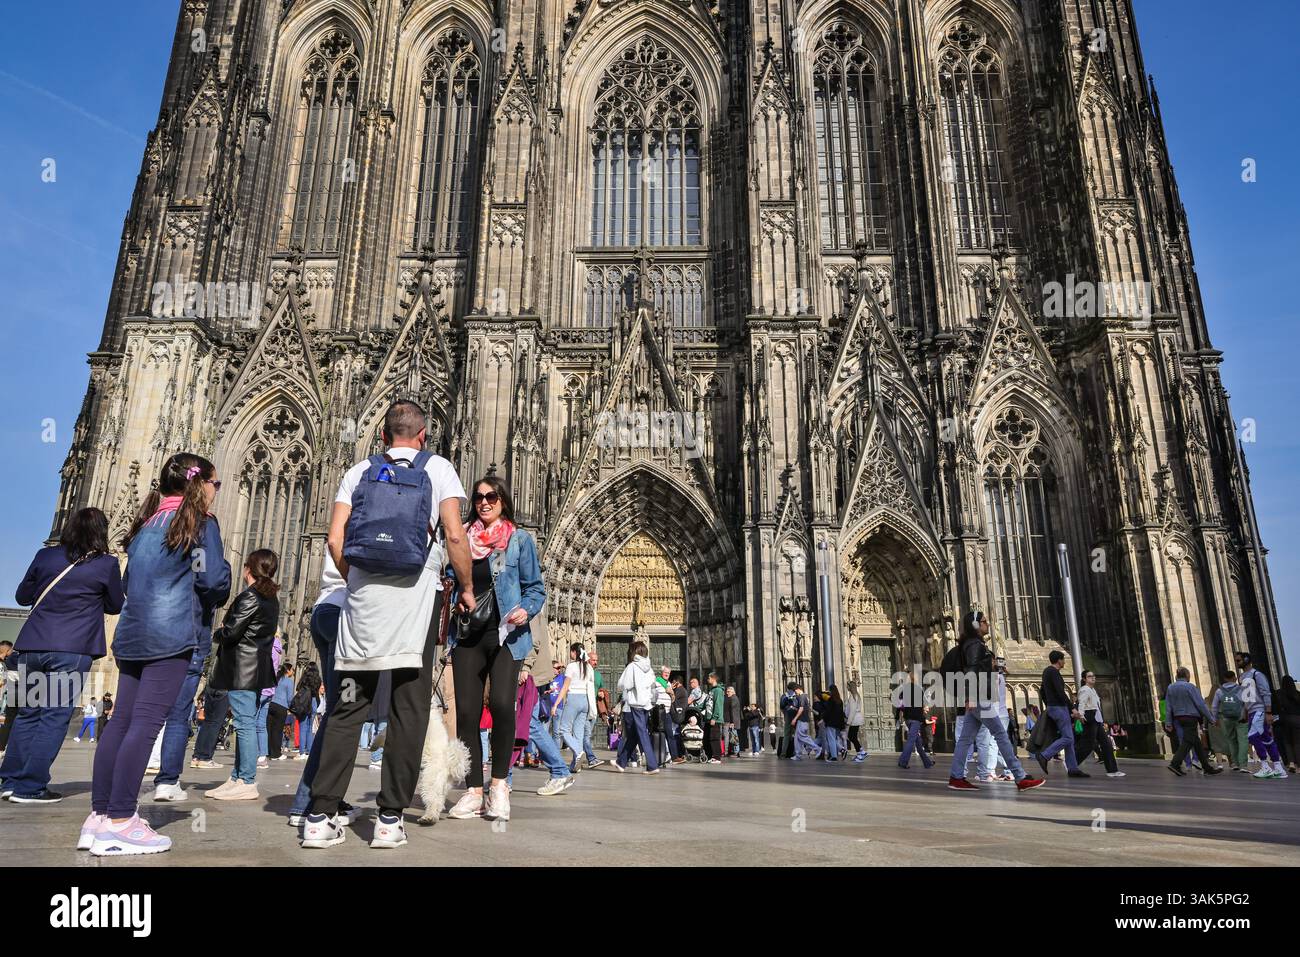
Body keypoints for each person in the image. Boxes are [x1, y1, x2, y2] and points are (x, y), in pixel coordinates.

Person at [302, 401, 471, 851]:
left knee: (347, 706)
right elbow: (455, 535)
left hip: (362, 611)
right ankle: (390, 819)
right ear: (422, 435)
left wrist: (355, 576)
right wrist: (467, 586)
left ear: (383, 437)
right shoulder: (438, 469)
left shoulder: (359, 472)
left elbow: (335, 539)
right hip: (415, 609)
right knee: (409, 709)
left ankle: (319, 816)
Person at [84, 454, 230, 855]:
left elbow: (130, 581)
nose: (217, 492)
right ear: (199, 485)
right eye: (215, 485)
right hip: (170, 636)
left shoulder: (145, 525)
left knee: (120, 723)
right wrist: (223, 576)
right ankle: (121, 821)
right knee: (146, 725)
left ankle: (98, 818)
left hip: (132, 635)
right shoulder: (201, 525)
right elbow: (213, 579)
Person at [0, 508, 124, 804]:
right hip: (71, 649)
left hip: (32, 647)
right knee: (54, 716)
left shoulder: (46, 557)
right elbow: (115, 604)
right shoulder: (106, 564)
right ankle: (30, 786)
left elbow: (22, 596)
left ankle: (8, 780)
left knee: (27, 714)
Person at [445, 476, 546, 823]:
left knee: (503, 705)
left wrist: (525, 610)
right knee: (468, 714)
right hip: (468, 635)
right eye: (478, 498)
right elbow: (449, 580)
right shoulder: (460, 541)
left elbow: (536, 589)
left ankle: (499, 785)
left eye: (491, 496)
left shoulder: (519, 541)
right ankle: (474, 791)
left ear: (503, 500)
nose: (484, 502)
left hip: (507, 635)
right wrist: (457, 597)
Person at [288, 553, 361, 827]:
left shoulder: (343, 515)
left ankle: (311, 801)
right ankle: (317, 804)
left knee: (337, 712)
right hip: (345, 614)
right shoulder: (365, 516)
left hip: (324, 611)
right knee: (346, 711)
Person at [205, 550, 280, 801]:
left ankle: (247, 780)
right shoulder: (271, 598)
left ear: (248, 569)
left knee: (245, 724)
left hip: (242, 670)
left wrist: (219, 633)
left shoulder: (251, 597)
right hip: (256, 669)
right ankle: (237, 777)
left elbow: (231, 633)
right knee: (245, 722)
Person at [946, 610, 1044, 792]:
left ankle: (956, 777)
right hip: (980, 696)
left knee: (965, 739)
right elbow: (971, 671)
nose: (987, 624)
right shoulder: (975, 644)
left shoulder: (970, 644)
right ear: (976, 625)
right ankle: (1020, 776)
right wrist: (971, 697)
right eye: (984, 621)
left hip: (978, 696)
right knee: (1000, 734)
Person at [1033, 650, 1088, 778]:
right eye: (1063, 659)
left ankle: (1073, 768)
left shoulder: (1047, 672)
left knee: (1069, 738)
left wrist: (1048, 704)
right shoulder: (1054, 672)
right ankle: (1044, 755)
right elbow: (1060, 692)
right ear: (1059, 660)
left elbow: (1042, 691)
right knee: (1068, 738)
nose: (1064, 662)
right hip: (1059, 707)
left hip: (1054, 707)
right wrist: (1072, 709)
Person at [610, 642, 659, 773]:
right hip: (646, 704)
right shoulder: (649, 667)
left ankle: (653, 765)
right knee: (634, 735)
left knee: (642, 734)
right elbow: (653, 682)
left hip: (635, 703)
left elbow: (623, 684)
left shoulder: (632, 666)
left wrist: (632, 685)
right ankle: (621, 762)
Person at [1236, 651, 1286, 779]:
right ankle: (1278, 767)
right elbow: (1246, 698)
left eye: (1239, 660)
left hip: (1259, 710)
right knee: (1266, 738)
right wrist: (1244, 713)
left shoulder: (1256, 675)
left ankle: (1265, 766)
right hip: (1252, 711)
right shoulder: (1242, 677)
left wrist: (1268, 712)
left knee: (1252, 737)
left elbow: (1266, 693)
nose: (1237, 663)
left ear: (1246, 660)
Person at [1164, 667, 1223, 777]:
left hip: (1178, 717)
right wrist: (1211, 719)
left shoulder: (1170, 687)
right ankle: (1175, 763)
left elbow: (1168, 706)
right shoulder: (1190, 687)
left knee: (1196, 743)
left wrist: (1168, 722)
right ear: (1187, 675)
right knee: (1188, 741)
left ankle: (1206, 767)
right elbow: (1200, 704)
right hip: (1190, 717)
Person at [555, 643, 596, 772]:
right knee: (578, 733)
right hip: (585, 700)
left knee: (563, 730)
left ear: (574, 652)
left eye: (570, 652)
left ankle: (578, 751)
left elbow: (565, 687)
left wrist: (556, 704)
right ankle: (575, 765)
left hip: (573, 699)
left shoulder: (571, 666)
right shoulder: (588, 667)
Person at [1075, 669, 1123, 777]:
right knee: (1088, 745)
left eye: (1093, 676)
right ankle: (1072, 763)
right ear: (1084, 679)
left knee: (1106, 744)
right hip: (1090, 718)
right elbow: (1081, 703)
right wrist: (1081, 716)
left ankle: (1112, 770)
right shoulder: (1084, 689)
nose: (1093, 677)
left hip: (1096, 719)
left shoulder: (1092, 690)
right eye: (1090, 676)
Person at [1209, 671, 1249, 772]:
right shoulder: (1241, 689)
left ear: (1224, 679)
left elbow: (1214, 707)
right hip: (1240, 718)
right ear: (1234, 678)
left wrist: (1214, 719)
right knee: (1243, 740)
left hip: (1226, 718)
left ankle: (1234, 763)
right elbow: (1247, 704)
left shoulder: (1219, 691)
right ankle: (1243, 765)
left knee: (1231, 740)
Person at [896, 670, 933, 770]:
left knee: (918, 742)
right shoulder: (918, 689)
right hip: (915, 719)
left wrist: (897, 718)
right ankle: (903, 761)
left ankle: (927, 763)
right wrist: (922, 718)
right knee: (911, 740)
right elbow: (921, 705)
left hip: (908, 718)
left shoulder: (904, 690)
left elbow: (899, 705)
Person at [267, 663, 295, 761]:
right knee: (277, 731)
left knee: (269, 729)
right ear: (288, 670)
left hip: (270, 704)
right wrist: (291, 708)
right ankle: (276, 754)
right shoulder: (289, 681)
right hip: (281, 707)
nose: (293, 671)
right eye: (292, 669)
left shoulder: (277, 678)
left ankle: (268, 752)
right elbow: (290, 698)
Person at [789, 683, 821, 760]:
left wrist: (795, 719)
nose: (795, 693)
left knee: (802, 736)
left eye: (795, 691)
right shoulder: (805, 697)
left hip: (802, 720)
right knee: (797, 738)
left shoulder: (802, 697)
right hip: (804, 719)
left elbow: (801, 709)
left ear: (797, 689)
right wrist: (794, 709)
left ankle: (817, 748)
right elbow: (805, 709)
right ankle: (798, 755)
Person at [1275, 676, 1300, 773]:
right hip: (1297, 720)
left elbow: (1276, 707)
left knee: (1287, 743)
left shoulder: (1278, 694)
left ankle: (1291, 763)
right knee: (1297, 743)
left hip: (1284, 720)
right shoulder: (1297, 694)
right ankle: (1299, 767)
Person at [704, 672, 725, 763]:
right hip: (708, 718)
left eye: (709, 677)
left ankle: (717, 757)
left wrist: (714, 717)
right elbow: (706, 703)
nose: (707, 679)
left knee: (714, 738)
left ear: (713, 678)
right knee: (707, 738)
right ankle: (710, 756)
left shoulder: (718, 691)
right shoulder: (711, 690)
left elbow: (718, 705)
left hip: (714, 719)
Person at [822, 685, 847, 761]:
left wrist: (823, 718)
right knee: (834, 739)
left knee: (831, 739)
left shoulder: (831, 700)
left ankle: (834, 756)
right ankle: (841, 750)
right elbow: (841, 713)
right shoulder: (840, 700)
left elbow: (828, 712)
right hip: (838, 723)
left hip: (830, 722)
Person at [844, 681, 865, 760]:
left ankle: (861, 752)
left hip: (854, 719)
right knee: (853, 736)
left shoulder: (852, 697)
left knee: (851, 736)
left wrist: (848, 722)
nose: (847, 687)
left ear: (850, 687)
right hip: (856, 719)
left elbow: (852, 710)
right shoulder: (857, 696)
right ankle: (860, 752)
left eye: (848, 686)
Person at [669, 675, 688, 763]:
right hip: (678, 714)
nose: (672, 683)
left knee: (675, 734)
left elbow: (672, 698)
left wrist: (670, 689)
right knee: (676, 734)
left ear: (677, 682)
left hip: (677, 715)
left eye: (673, 682)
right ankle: (680, 753)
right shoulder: (682, 690)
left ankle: (679, 753)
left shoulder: (680, 690)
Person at [724, 684, 742, 758]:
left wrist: (732, 722)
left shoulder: (733, 698)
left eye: (728, 691)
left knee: (734, 736)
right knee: (733, 736)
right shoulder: (734, 698)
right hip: (734, 721)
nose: (727, 693)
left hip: (734, 721)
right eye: (727, 691)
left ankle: (736, 752)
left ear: (732, 692)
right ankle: (735, 751)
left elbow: (733, 712)